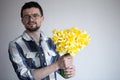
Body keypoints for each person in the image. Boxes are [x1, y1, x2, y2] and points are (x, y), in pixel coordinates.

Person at [8, 1, 75, 80]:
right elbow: (24, 77)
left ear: (42, 18)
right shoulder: (15, 45)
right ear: (22, 21)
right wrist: (57, 65)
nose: (31, 19)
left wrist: (68, 72)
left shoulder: (52, 42)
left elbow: (60, 70)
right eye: (26, 16)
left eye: (35, 15)